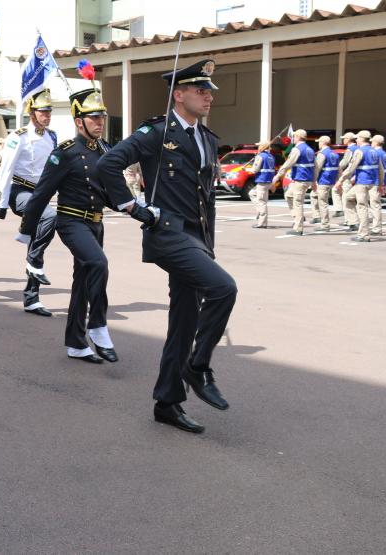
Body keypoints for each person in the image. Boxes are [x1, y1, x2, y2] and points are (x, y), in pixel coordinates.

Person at [97, 59, 236, 434]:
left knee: (184, 321)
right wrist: (133, 207)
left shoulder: (207, 139)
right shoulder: (156, 132)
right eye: (199, 90)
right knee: (224, 288)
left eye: (209, 91)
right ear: (179, 94)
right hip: (169, 234)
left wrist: (208, 246)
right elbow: (108, 165)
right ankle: (198, 366)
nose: (208, 96)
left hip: (197, 240)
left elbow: (206, 199)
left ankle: (167, 402)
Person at [24, 67, 118, 364]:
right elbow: (41, 192)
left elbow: (111, 191)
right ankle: (98, 325)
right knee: (98, 264)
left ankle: (76, 343)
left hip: (96, 223)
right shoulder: (64, 152)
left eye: (102, 116)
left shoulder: (104, 149)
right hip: (71, 220)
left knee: (82, 281)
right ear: (79, 121)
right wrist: (27, 229)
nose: (100, 122)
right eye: (94, 117)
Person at [0, 88, 58, 317]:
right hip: (20, 191)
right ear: (32, 113)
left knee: (39, 232)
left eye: (49, 111)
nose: (47, 115)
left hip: (39, 193)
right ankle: (34, 261)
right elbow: (6, 169)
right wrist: (1, 202)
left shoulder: (52, 137)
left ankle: (32, 298)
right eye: (43, 111)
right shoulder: (18, 136)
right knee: (50, 217)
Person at [339, 130, 384, 242]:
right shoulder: (374, 151)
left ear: (361, 139)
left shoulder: (359, 151)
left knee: (362, 206)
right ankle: (376, 228)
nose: (356, 140)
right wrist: (381, 184)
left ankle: (363, 234)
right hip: (373, 182)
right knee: (374, 205)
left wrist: (340, 179)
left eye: (357, 138)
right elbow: (381, 169)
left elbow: (351, 168)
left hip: (362, 182)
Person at [272, 128, 314, 236]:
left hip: (300, 179)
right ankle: (297, 217)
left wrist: (277, 176)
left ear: (298, 137)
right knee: (289, 195)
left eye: (294, 136)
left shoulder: (297, 149)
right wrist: (313, 181)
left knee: (298, 203)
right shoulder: (310, 149)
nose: (293, 138)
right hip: (305, 179)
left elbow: (288, 164)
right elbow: (315, 166)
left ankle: (298, 228)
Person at [312, 135, 339, 232]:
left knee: (323, 203)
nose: (318, 144)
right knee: (318, 198)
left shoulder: (322, 154)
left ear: (322, 143)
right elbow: (338, 169)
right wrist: (338, 181)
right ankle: (320, 219)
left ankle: (325, 224)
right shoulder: (334, 154)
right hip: (331, 181)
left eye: (319, 142)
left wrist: (313, 180)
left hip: (323, 181)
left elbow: (317, 168)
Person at [336, 132, 359, 230]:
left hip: (349, 176)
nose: (343, 140)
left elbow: (344, 162)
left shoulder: (350, 149)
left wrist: (337, 169)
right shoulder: (358, 148)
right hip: (356, 176)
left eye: (344, 138)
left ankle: (349, 220)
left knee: (346, 197)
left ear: (349, 139)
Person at [248, 140, 274, 228]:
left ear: (262, 147)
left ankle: (262, 223)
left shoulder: (260, 156)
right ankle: (259, 211)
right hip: (268, 181)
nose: (258, 147)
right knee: (252, 193)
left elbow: (255, 169)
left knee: (262, 202)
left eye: (259, 146)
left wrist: (246, 170)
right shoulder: (271, 156)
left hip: (262, 181)